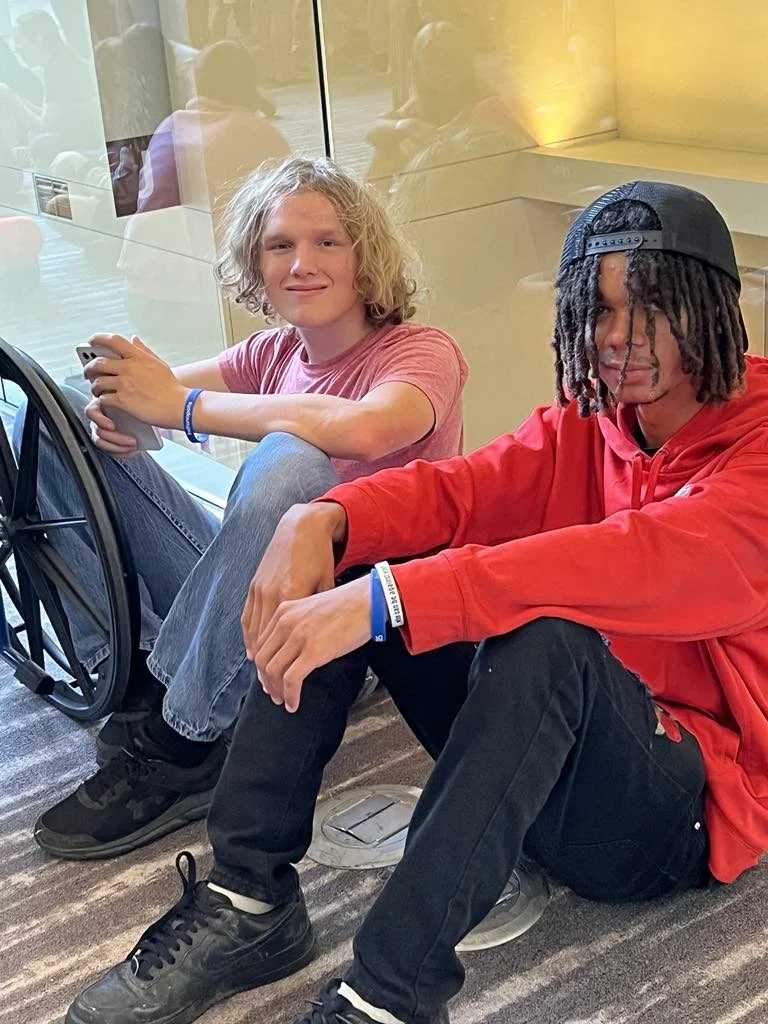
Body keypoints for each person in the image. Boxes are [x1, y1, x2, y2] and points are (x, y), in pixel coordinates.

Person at [65, 179, 768, 1024]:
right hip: (534, 768)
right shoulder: (596, 419)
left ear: (715, 306)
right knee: (363, 555)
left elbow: (635, 562)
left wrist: (392, 598)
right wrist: (325, 518)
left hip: (667, 815)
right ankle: (248, 897)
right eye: (599, 311)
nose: (618, 339)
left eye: (652, 310)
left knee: (544, 636)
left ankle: (389, 997)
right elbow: (460, 488)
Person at [28, 155, 468, 862]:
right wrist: (116, 415)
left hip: (343, 631)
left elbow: (366, 429)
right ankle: (137, 670)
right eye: (280, 246)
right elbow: (156, 403)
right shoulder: (271, 351)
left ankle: (183, 743)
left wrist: (184, 407)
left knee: (292, 464)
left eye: (328, 242)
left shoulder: (423, 354)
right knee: (61, 430)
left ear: (367, 256)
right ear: (256, 265)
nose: (302, 263)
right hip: (254, 594)